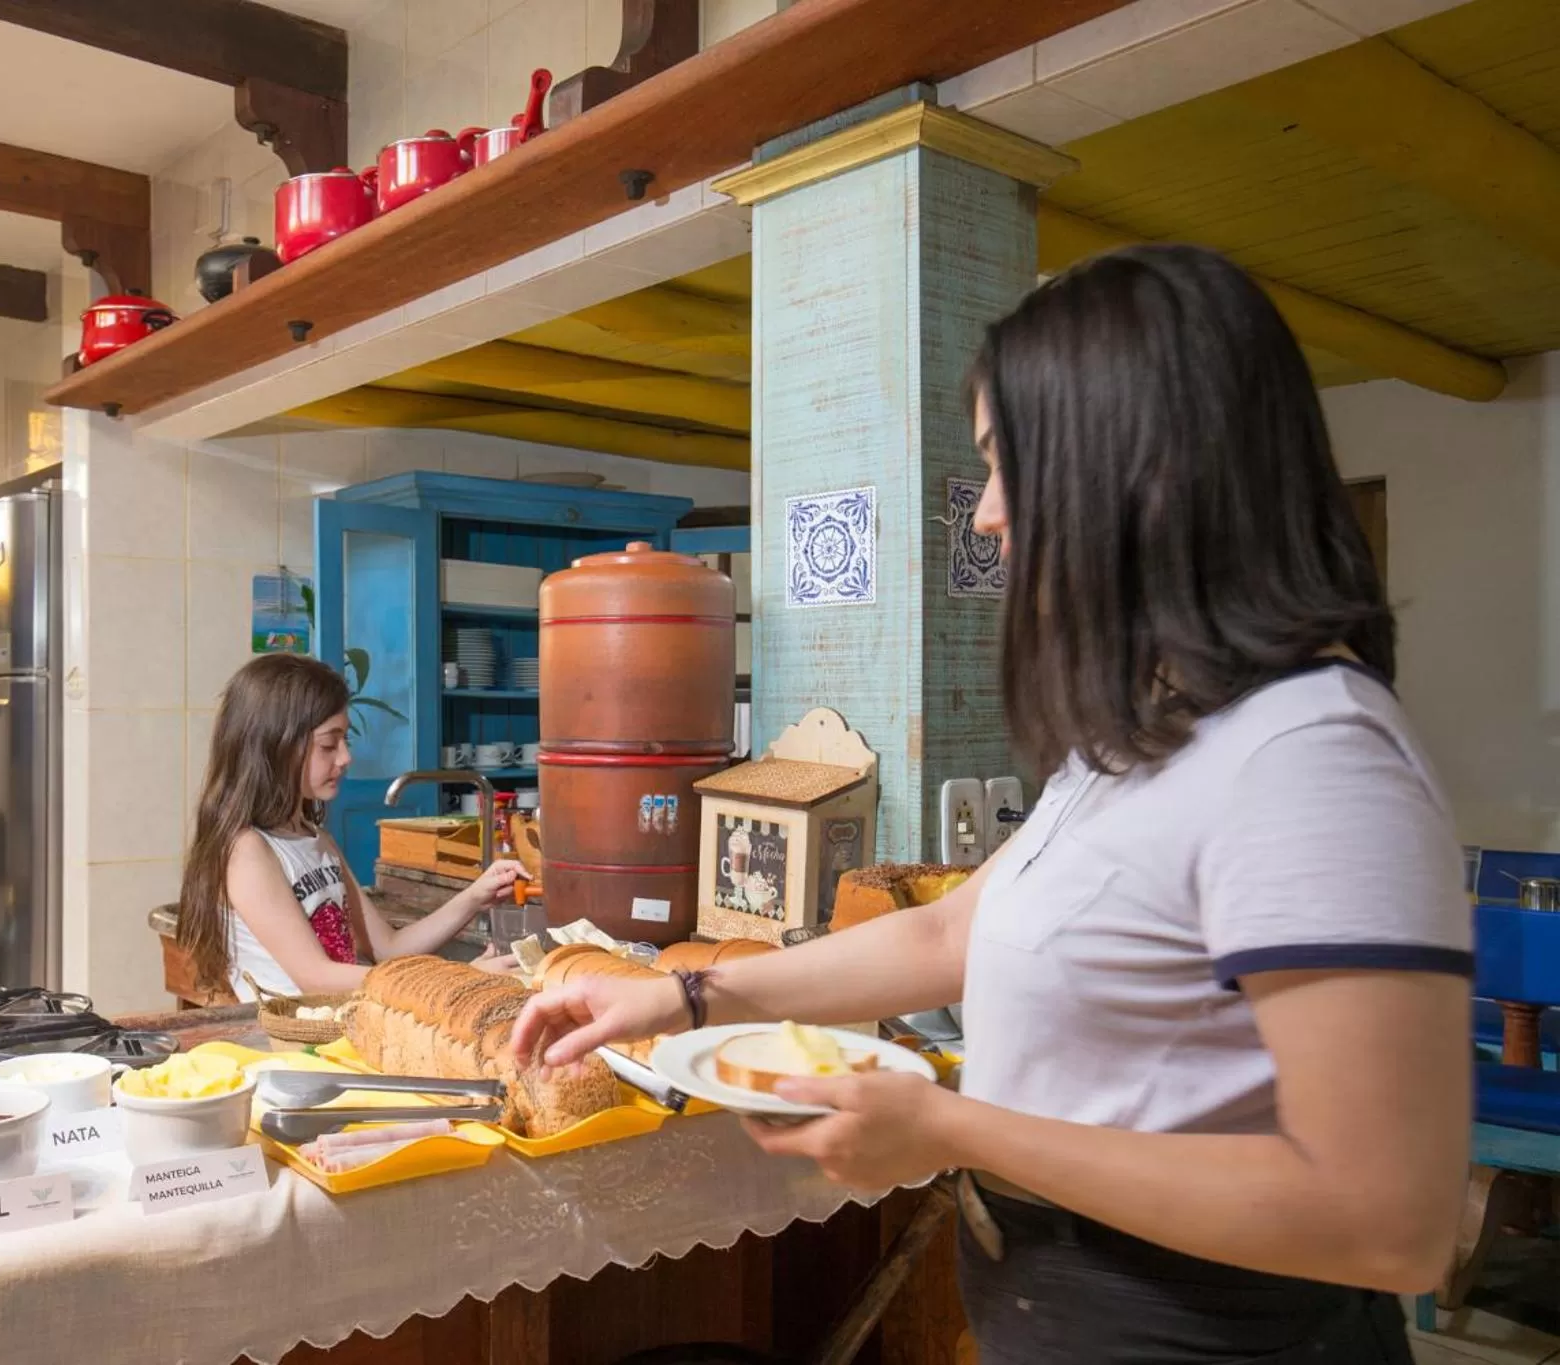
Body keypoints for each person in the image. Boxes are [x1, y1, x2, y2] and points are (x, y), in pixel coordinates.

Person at [513, 245, 1470, 1364]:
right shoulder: (1150, 730)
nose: (986, 516)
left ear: (1138, 466)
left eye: (1007, 465)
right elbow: (952, 934)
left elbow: (1385, 1220)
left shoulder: (1308, 757)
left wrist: (950, 1128)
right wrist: (684, 998)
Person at [178, 652, 526, 1000]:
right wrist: (459, 979)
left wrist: (475, 897)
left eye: (345, 741)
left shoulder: (316, 839)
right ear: (275, 746)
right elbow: (317, 977)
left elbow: (389, 948)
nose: (345, 757)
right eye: (328, 745)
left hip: (341, 1020)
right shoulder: (249, 851)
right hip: (291, 1032)